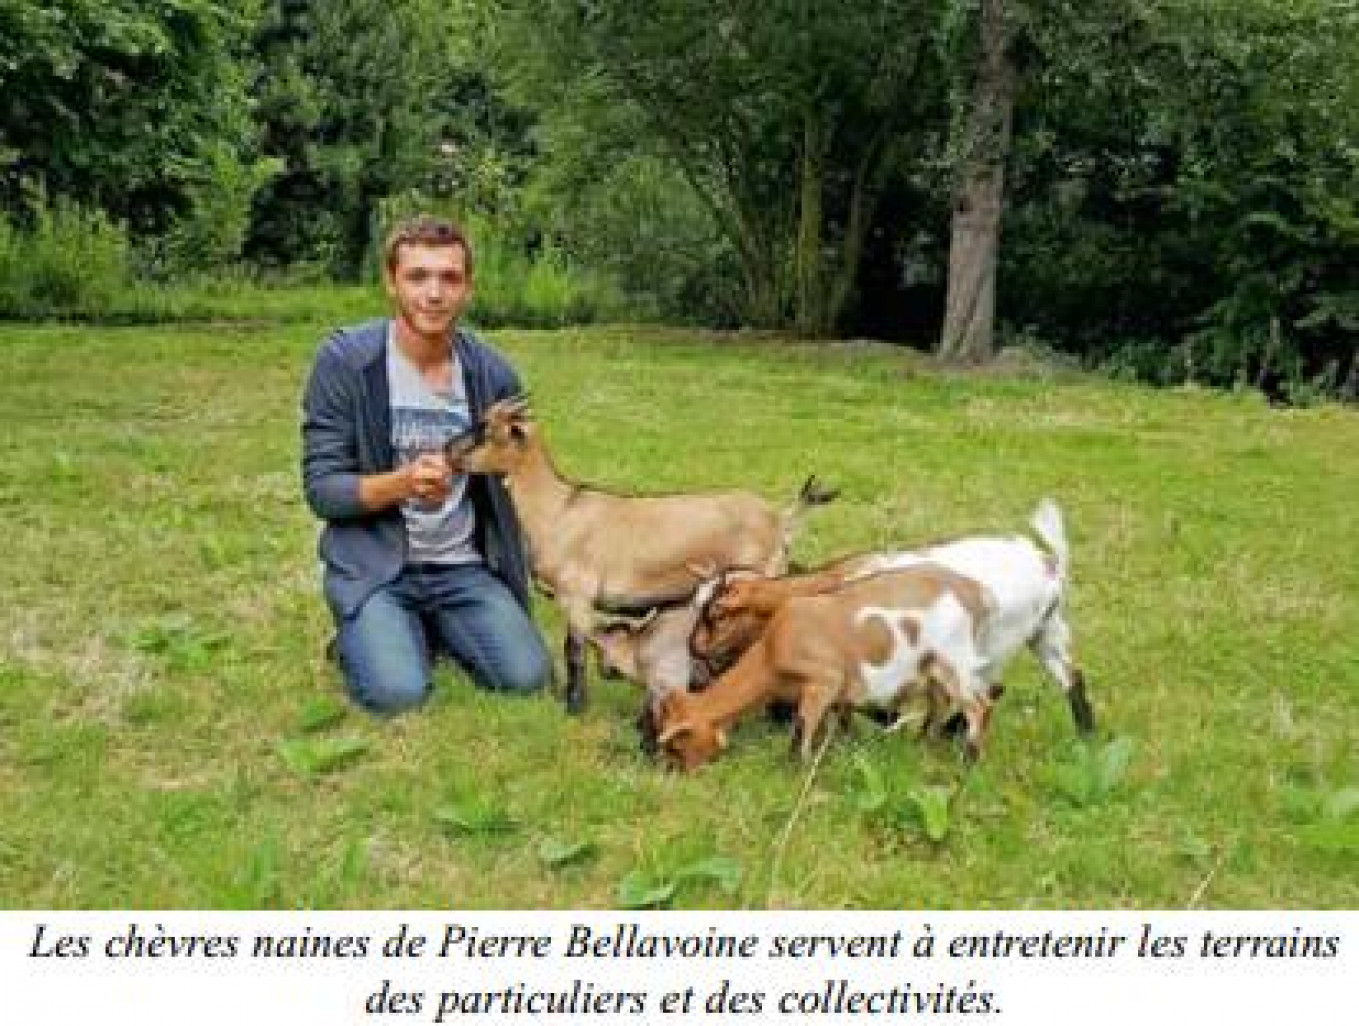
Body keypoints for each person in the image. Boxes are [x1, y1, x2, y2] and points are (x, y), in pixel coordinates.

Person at [300, 215, 551, 713]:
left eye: (449, 278)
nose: (434, 294)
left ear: (468, 289)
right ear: (391, 282)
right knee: (399, 695)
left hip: (463, 567)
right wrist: (403, 484)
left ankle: (426, 627)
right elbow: (322, 489)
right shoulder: (344, 363)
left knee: (528, 679)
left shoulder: (492, 374)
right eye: (418, 277)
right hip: (378, 567)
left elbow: (523, 476)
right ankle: (371, 629)